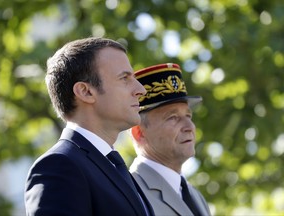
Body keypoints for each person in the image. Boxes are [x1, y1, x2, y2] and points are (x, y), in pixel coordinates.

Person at [24, 37, 155, 216]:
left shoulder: (112, 166)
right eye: (124, 78)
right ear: (85, 92)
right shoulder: (59, 166)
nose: (141, 90)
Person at [129, 63, 211, 216]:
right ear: (139, 132)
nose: (189, 126)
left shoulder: (195, 196)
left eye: (188, 116)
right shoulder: (131, 193)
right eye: (173, 118)